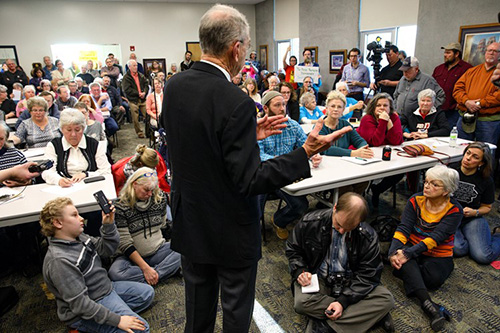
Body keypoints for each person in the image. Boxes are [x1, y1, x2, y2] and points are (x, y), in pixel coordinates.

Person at [160, 4, 351, 332]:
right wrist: (303, 153)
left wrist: (248, 133)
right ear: (236, 49)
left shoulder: (174, 85)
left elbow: (188, 138)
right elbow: (250, 180)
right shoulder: (236, 102)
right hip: (230, 227)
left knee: (197, 312)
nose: (246, 54)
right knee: (236, 313)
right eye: (247, 47)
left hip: (190, 217)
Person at [40, 197, 153, 333]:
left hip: (105, 289)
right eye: (74, 215)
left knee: (147, 294)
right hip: (88, 306)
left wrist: (108, 224)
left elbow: (106, 249)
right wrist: (118, 320)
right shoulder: (59, 261)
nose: (81, 218)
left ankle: (108, 319)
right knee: (142, 329)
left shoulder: (78, 237)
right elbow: (81, 305)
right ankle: (86, 325)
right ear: (58, 223)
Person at [286, 193, 395, 333]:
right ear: (335, 207)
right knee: (301, 303)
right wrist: (300, 271)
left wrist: (343, 301)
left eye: (349, 228)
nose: (342, 231)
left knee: (386, 299)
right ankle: (366, 315)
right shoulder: (310, 222)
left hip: (351, 282)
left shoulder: (368, 235)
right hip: (320, 279)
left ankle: (324, 326)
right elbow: (293, 250)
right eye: (338, 224)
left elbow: (369, 275)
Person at [388, 165, 462, 332]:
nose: (427, 186)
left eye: (434, 184)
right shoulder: (415, 199)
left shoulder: (455, 210)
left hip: (438, 253)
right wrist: (394, 251)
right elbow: (404, 228)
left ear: (446, 190)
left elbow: (435, 239)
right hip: (413, 247)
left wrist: (406, 253)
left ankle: (405, 271)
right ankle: (429, 306)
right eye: (426, 182)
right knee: (403, 260)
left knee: (431, 279)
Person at [258, 91, 321, 240]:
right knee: (254, 210)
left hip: (286, 174)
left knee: (300, 205)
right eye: (277, 105)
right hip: (265, 174)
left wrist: (313, 155)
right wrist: (282, 161)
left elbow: (305, 146)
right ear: (266, 109)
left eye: (284, 104)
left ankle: (279, 221)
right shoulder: (259, 128)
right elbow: (258, 155)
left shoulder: (292, 126)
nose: (282, 108)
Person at [108, 167, 181, 284]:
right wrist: (145, 268)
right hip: (131, 257)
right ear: (134, 184)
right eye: (146, 190)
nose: (150, 194)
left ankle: (155, 275)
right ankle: (163, 272)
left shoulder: (159, 199)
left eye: (152, 190)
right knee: (115, 272)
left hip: (158, 250)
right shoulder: (121, 206)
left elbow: (163, 226)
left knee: (185, 249)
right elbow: (125, 243)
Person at [451, 142, 500, 264]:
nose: (468, 158)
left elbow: (487, 207)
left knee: (483, 256)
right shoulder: (451, 171)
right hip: (450, 216)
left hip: (472, 218)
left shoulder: (486, 180)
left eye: (475, 157)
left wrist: (475, 212)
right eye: (468, 153)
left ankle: (498, 235)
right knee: (458, 249)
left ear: (481, 163)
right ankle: (469, 237)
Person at [42, 109, 110, 187]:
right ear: (62, 130)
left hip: (91, 186)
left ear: (83, 129)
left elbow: (106, 171)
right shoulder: (53, 146)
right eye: (69, 130)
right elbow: (47, 172)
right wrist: (58, 180)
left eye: (77, 130)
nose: (73, 134)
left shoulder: (94, 144)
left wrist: (86, 174)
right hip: (63, 188)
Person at [453, 42, 500, 145]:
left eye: (495, 51)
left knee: (486, 151)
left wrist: (479, 103)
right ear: (485, 53)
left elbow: (498, 96)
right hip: (465, 117)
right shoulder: (471, 71)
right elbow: (457, 89)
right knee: (460, 148)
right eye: (489, 50)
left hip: (488, 121)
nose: (491, 53)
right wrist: (466, 101)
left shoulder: (498, 74)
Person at [432, 42, 473, 128]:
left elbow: (471, 89)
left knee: (451, 135)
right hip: (438, 109)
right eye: (445, 52)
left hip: (454, 110)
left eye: (448, 52)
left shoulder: (467, 69)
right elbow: (431, 85)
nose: (445, 55)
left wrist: (460, 103)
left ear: (457, 54)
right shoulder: (439, 68)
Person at [122, 60, 149, 138]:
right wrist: (138, 93)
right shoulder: (126, 77)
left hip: (143, 99)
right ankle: (139, 132)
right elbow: (127, 89)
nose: (136, 67)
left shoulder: (141, 75)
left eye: (136, 65)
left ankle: (148, 132)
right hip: (133, 100)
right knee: (135, 118)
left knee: (147, 116)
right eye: (134, 65)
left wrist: (144, 92)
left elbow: (146, 85)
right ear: (129, 67)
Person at [0, 123, 28, 187]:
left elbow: (31, 179)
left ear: (6, 138)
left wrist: (21, 183)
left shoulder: (15, 154)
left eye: (1, 139)